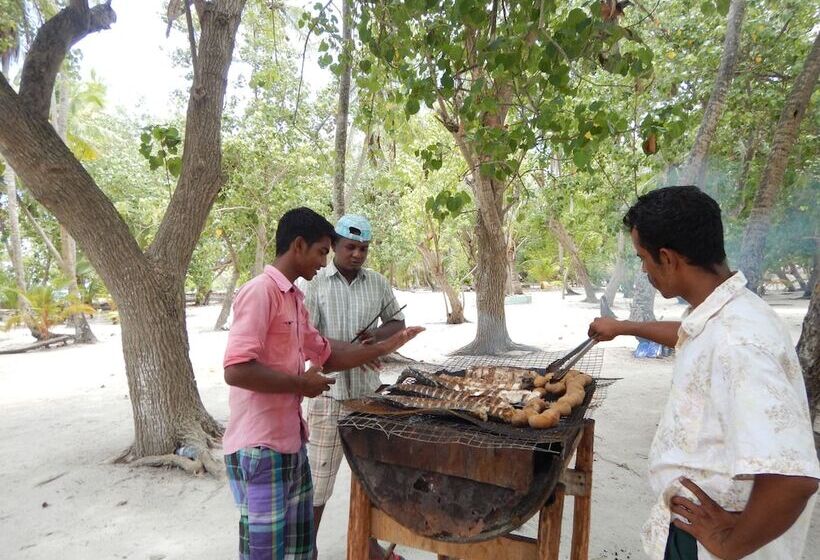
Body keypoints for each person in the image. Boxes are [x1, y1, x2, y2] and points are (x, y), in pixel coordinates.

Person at [588, 186, 819, 560]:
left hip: (713, 546)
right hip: (690, 529)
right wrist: (625, 327)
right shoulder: (726, 311)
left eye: (643, 259)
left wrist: (731, 546)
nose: (644, 269)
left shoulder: (738, 343)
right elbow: (689, 335)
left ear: (667, 258)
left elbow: (794, 478)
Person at [222, 207, 423, 560]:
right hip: (259, 447)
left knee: (300, 550)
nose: (323, 261)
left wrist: (389, 344)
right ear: (299, 246)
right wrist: (300, 384)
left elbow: (329, 354)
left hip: (291, 442)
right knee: (265, 552)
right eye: (322, 252)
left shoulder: (294, 299)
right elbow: (236, 370)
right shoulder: (260, 292)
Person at [299, 214, 406, 560]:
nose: (357, 254)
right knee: (319, 479)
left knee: (370, 479)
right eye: (350, 247)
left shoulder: (377, 283)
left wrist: (377, 336)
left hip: (366, 396)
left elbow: (397, 321)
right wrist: (354, 352)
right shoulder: (315, 283)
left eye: (363, 248)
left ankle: (369, 545)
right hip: (325, 394)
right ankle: (307, 548)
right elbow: (306, 338)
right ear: (334, 246)